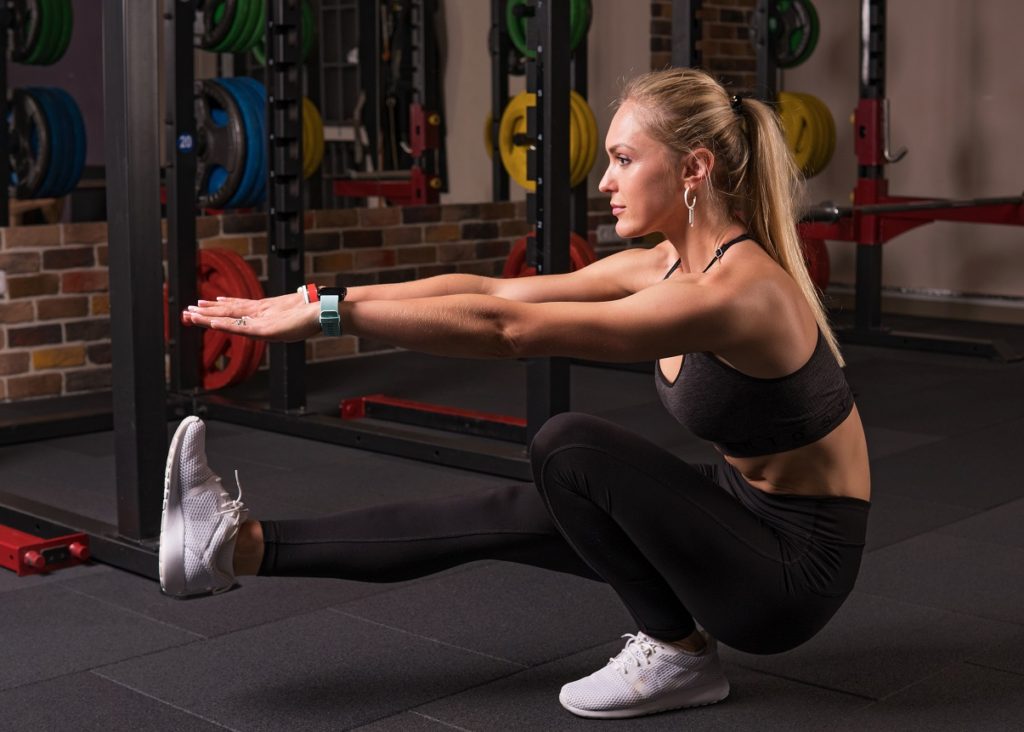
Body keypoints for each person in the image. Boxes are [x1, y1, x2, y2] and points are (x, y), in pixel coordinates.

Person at [162, 68, 870, 720]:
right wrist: (324, 299)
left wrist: (329, 318)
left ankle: (679, 654)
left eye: (624, 158)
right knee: (501, 511)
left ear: (694, 168)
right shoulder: (664, 264)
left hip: (788, 576)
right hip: (743, 518)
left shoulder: (736, 295)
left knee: (570, 448)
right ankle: (229, 548)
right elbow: (494, 290)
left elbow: (510, 330)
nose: (603, 180)